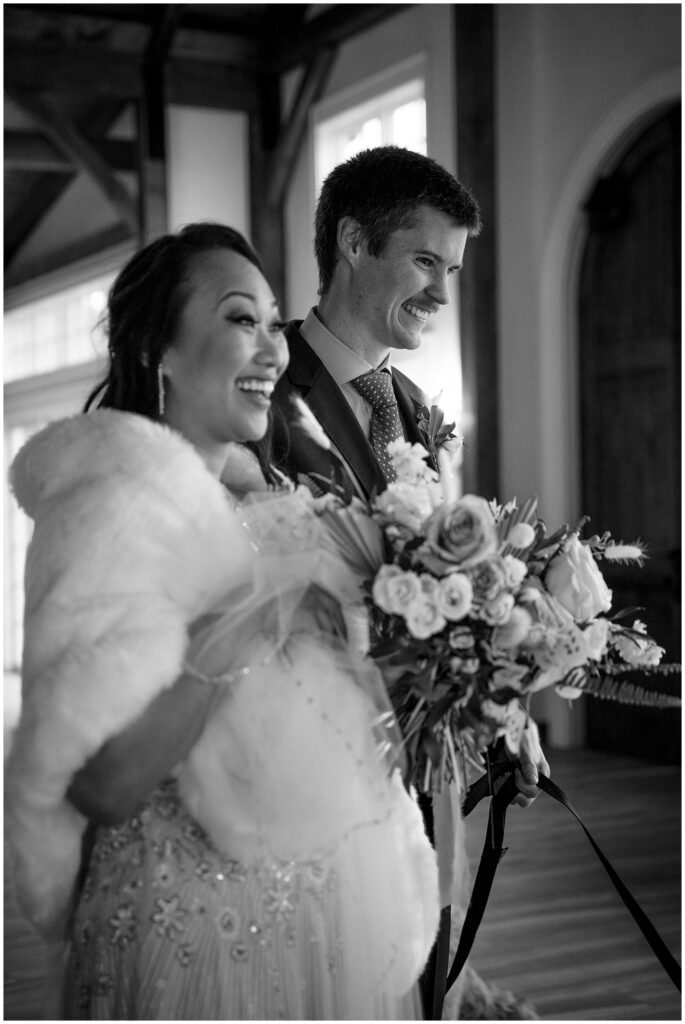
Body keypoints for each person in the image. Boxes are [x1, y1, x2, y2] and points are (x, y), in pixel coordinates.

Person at [5, 222, 441, 1020]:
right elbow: (103, 782)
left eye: (275, 321)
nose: (274, 347)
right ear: (156, 352)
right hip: (189, 932)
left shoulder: (279, 507)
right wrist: (248, 620)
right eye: (242, 319)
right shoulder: (110, 510)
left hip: (321, 924)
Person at [271, 146, 548, 1019]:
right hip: (309, 746)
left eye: (451, 269)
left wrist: (504, 699)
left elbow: (451, 575)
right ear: (354, 242)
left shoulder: (418, 407)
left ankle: (444, 992)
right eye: (424, 261)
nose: (439, 291)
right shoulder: (263, 390)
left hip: (424, 748)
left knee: (426, 918)